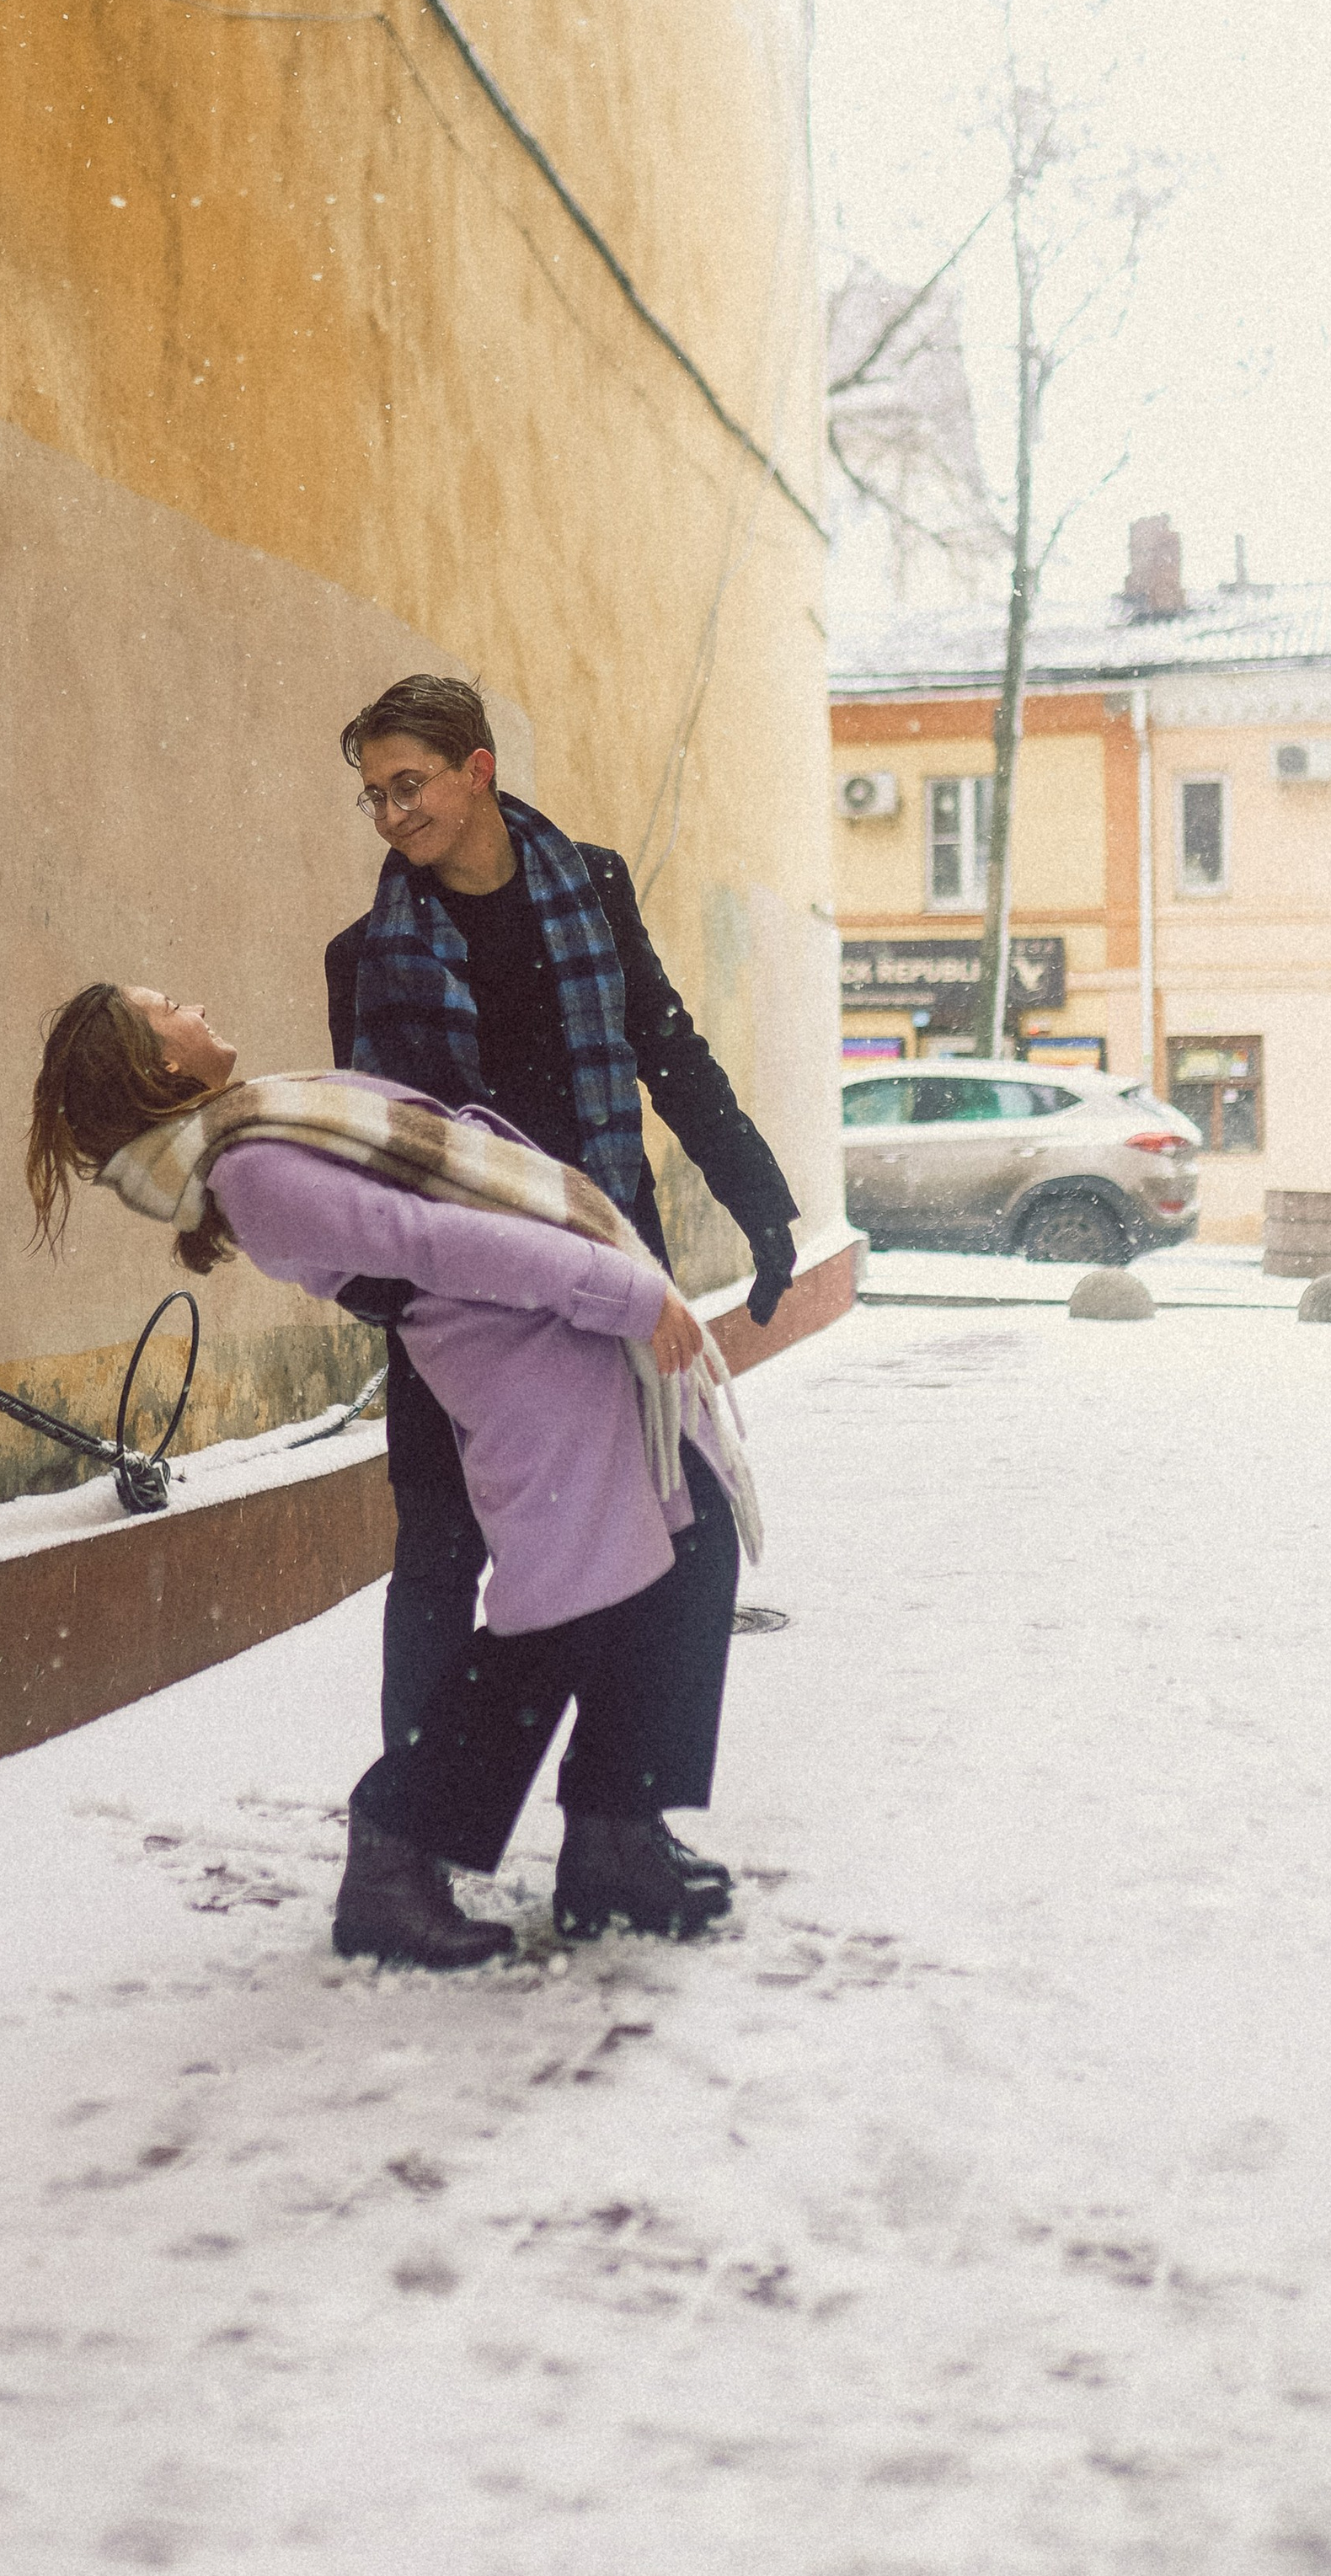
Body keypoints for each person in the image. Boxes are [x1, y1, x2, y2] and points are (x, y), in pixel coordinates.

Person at [26, 981, 762, 1966]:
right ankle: (394, 1854)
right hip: (536, 1380)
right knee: (549, 1630)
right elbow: (435, 1243)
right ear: (159, 1064)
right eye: (168, 1004)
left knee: (674, 1558)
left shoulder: (252, 1129)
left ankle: (615, 1840)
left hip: (556, 1358)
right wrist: (621, 1287)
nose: (193, 1001)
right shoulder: (251, 1168)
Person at [324, 674, 798, 1908]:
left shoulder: (586, 887)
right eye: (373, 794)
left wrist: (759, 1194)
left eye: (409, 783)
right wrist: (394, 1299)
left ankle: (615, 1835)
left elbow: (665, 1048)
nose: (390, 813)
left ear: (476, 769)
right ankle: (408, 1857)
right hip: (464, 1311)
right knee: (442, 1553)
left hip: (605, 1282)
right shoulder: (371, 954)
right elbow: (379, 1148)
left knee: (675, 1526)